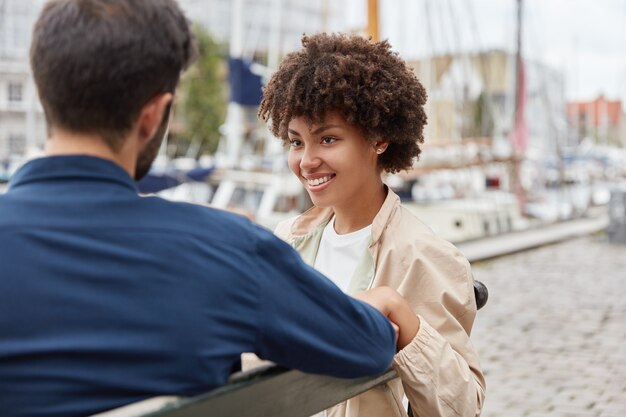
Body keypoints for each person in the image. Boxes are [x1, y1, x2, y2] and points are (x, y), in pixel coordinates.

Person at [0, 3, 406, 416]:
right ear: (153, 115)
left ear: (44, 91)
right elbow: (368, 345)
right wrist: (378, 303)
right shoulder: (226, 251)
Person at [258, 33, 486, 417]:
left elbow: (462, 406)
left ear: (379, 138)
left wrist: (399, 314)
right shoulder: (286, 240)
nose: (307, 160)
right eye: (296, 142)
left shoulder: (424, 256)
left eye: (327, 139)